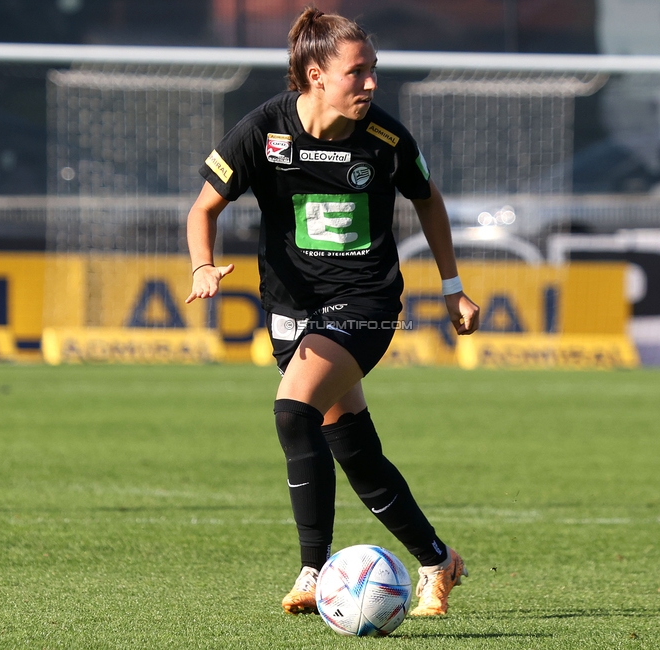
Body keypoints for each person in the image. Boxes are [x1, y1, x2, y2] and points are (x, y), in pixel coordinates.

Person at [186, 5, 480, 617]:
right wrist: (202, 265)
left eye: (373, 70)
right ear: (316, 75)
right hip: (291, 310)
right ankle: (436, 559)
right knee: (353, 448)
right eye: (358, 72)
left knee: (294, 413)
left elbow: (430, 203)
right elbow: (202, 209)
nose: (371, 83)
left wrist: (452, 285)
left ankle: (313, 570)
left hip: (367, 303)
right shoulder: (263, 131)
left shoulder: (387, 139)